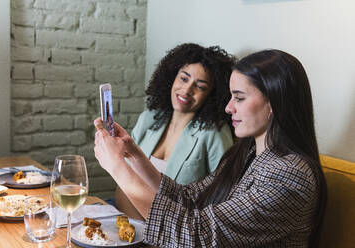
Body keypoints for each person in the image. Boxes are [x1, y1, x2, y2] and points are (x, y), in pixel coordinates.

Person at [94, 49, 327, 247]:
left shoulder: (289, 175)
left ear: (274, 102)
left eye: (239, 98)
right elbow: (191, 197)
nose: (228, 108)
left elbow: (198, 236)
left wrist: (118, 169)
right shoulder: (246, 154)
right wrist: (132, 154)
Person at [114, 43, 236, 220]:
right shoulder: (150, 118)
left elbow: (223, 194)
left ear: (211, 94)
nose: (186, 90)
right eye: (184, 79)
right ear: (172, 77)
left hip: (165, 234)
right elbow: (125, 171)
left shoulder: (214, 133)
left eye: (200, 86)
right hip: (121, 219)